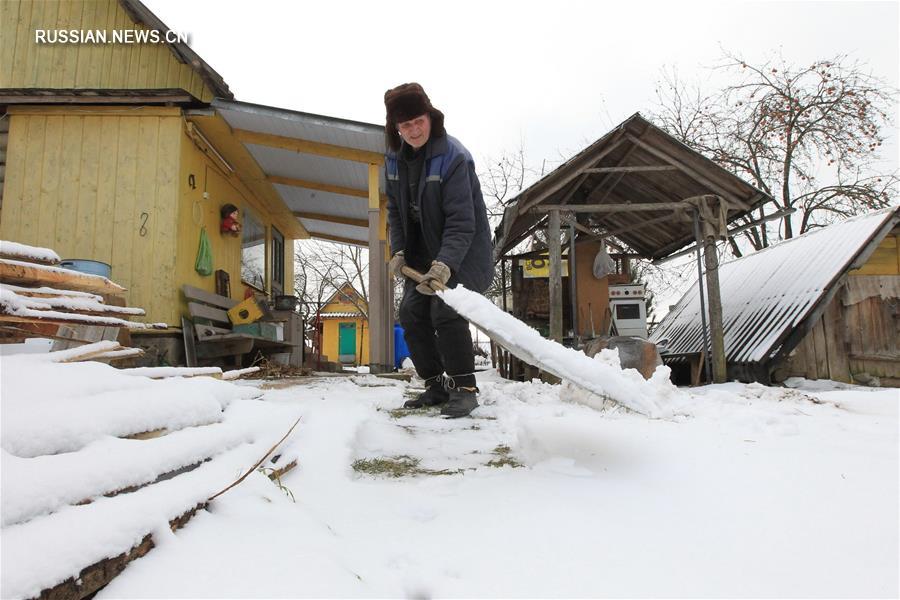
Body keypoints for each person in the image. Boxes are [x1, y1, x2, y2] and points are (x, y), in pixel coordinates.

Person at [383, 82, 493, 418]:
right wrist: (399, 250)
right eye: (405, 125)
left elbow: (462, 221)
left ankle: (466, 387)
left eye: (418, 121)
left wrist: (445, 264)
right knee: (412, 313)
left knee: (445, 311)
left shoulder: (454, 157)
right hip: (421, 256)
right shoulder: (392, 161)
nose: (414, 131)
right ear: (396, 128)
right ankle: (435, 385)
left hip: (464, 252)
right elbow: (396, 213)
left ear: (430, 117)